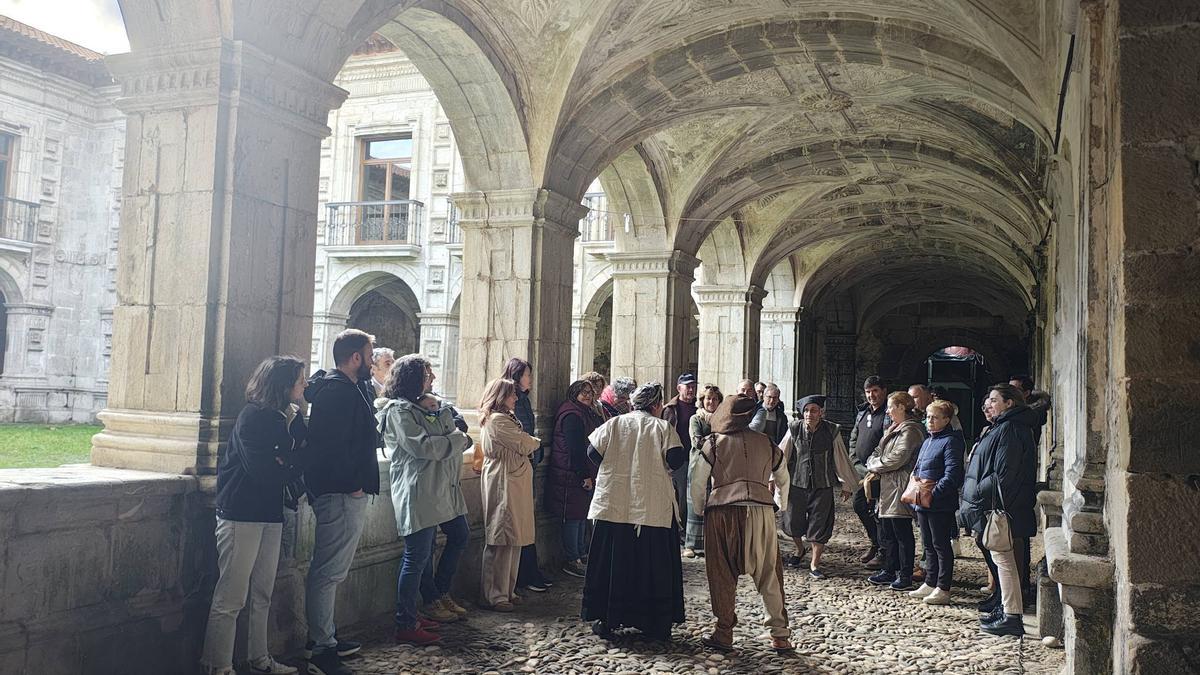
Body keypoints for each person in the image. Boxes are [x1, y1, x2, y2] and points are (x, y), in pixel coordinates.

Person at [201, 356, 307, 675]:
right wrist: (288, 461)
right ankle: (217, 665)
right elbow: (265, 471)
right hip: (241, 513)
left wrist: (287, 458)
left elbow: (299, 455)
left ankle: (258, 658)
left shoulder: (284, 417)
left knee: (262, 590)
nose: (305, 385)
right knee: (231, 594)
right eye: (300, 380)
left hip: (269, 512)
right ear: (284, 384)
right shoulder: (254, 417)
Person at [378, 355, 473, 646]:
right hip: (418, 491)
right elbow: (426, 446)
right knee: (416, 557)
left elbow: (451, 431)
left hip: (439, 489)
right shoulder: (397, 411)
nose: (432, 379)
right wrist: (457, 441)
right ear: (412, 378)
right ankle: (405, 622)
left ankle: (434, 597)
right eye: (427, 374)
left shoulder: (430, 405)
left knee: (457, 535)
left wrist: (452, 437)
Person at [690, 394, 793, 653]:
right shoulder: (766, 442)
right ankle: (780, 635)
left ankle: (724, 632)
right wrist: (781, 504)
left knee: (722, 572)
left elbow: (698, 481)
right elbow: (783, 476)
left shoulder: (713, 443)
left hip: (723, 512)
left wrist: (701, 507)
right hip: (761, 512)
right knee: (769, 573)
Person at [583, 382, 686, 641]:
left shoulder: (615, 424)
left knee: (612, 564)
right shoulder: (663, 427)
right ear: (656, 404)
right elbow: (675, 459)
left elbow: (591, 452)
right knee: (653, 566)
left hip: (615, 504)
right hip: (651, 507)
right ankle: (655, 623)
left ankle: (607, 618)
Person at [303, 329, 379, 675]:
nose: (373, 360)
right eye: (369, 354)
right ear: (355, 358)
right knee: (328, 570)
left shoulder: (347, 387)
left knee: (333, 570)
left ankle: (325, 635)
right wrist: (353, 488)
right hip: (340, 493)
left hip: (343, 491)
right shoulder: (337, 391)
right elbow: (331, 447)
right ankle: (321, 647)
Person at [960, 383, 1037, 636]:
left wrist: (977, 493)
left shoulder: (1011, 429)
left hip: (1001, 506)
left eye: (994, 400)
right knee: (1001, 560)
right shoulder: (1004, 427)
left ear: (1009, 403)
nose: (988, 404)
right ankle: (1006, 609)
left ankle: (1011, 616)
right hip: (995, 504)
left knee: (1004, 561)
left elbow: (1004, 474)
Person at [478, 378, 543, 611]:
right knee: (502, 536)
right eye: (512, 395)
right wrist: (534, 442)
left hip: (514, 478)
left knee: (515, 535)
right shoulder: (497, 420)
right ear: (500, 396)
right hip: (504, 479)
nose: (516, 398)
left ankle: (508, 589)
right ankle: (495, 594)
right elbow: (524, 443)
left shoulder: (506, 418)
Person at [777, 395, 859, 578]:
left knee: (819, 524)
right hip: (797, 483)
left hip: (823, 485)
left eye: (813, 410)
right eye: (806, 410)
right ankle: (799, 550)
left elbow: (840, 457)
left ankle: (814, 564)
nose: (809, 414)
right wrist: (773, 477)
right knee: (792, 521)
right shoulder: (794, 428)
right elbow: (781, 454)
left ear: (821, 412)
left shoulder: (831, 430)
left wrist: (846, 483)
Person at [500, 358, 554, 594]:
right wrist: (535, 447)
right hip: (517, 466)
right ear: (516, 376)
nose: (530, 379)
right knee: (519, 523)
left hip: (528, 461)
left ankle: (528, 572)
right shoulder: (514, 401)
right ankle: (524, 574)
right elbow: (521, 434)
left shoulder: (524, 399)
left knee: (526, 522)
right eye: (527, 375)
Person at [864, 392, 925, 591]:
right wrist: (875, 462)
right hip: (887, 486)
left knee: (901, 532)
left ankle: (905, 574)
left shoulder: (911, 431)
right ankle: (889, 569)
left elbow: (897, 458)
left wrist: (874, 465)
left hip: (900, 486)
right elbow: (877, 452)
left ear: (901, 407)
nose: (888, 410)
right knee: (887, 531)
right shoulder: (894, 428)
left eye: (891, 406)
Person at [907, 399, 965, 606]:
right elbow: (919, 467)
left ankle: (943, 587)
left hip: (940, 504)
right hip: (922, 501)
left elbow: (952, 475)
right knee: (928, 545)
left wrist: (933, 494)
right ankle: (930, 582)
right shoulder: (928, 440)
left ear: (946, 420)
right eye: (928, 417)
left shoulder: (951, 441)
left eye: (934, 417)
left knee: (941, 545)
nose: (929, 420)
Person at [545, 379, 602, 578]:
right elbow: (575, 448)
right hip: (571, 473)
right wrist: (583, 475)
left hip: (581, 471)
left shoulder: (584, 412)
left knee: (581, 514)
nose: (587, 395)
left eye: (589, 392)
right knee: (573, 516)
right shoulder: (572, 414)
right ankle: (572, 558)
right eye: (582, 392)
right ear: (574, 393)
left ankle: (580, 552)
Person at [849, 376, 890, 567]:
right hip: (861, 472)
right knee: (859, 506)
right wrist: (856, 463)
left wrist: (875, 469)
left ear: (883, 390)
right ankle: (876, 543)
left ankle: (884, 551)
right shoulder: (862, 412)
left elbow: (887, 444)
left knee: (878, 512)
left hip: (879, 473)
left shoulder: (889, 414)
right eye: (868, 392)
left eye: (875, 390)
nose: (871, 395)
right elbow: (853, 439)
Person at [684, 384, 724, 558]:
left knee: (713, 506)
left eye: (715, 399)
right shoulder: (696, 419)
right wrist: (716, 439)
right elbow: (697, 442)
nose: (711, 401)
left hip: (717, 466)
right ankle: (690, 545)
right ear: (702, 400)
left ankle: (711, 543)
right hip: (698, 464)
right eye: (708, 398)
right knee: (695, 504)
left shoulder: (722, 419)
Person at [662, 373, 699, 541]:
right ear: (679, 388)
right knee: (677, 495)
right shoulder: (670, 409)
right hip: (678, 459)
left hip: (696, 458)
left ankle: (684, 528)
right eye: (687, 386)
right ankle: (675, 528)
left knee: (688, 496)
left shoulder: (700, 407)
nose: (691, 389)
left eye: (693, 386)